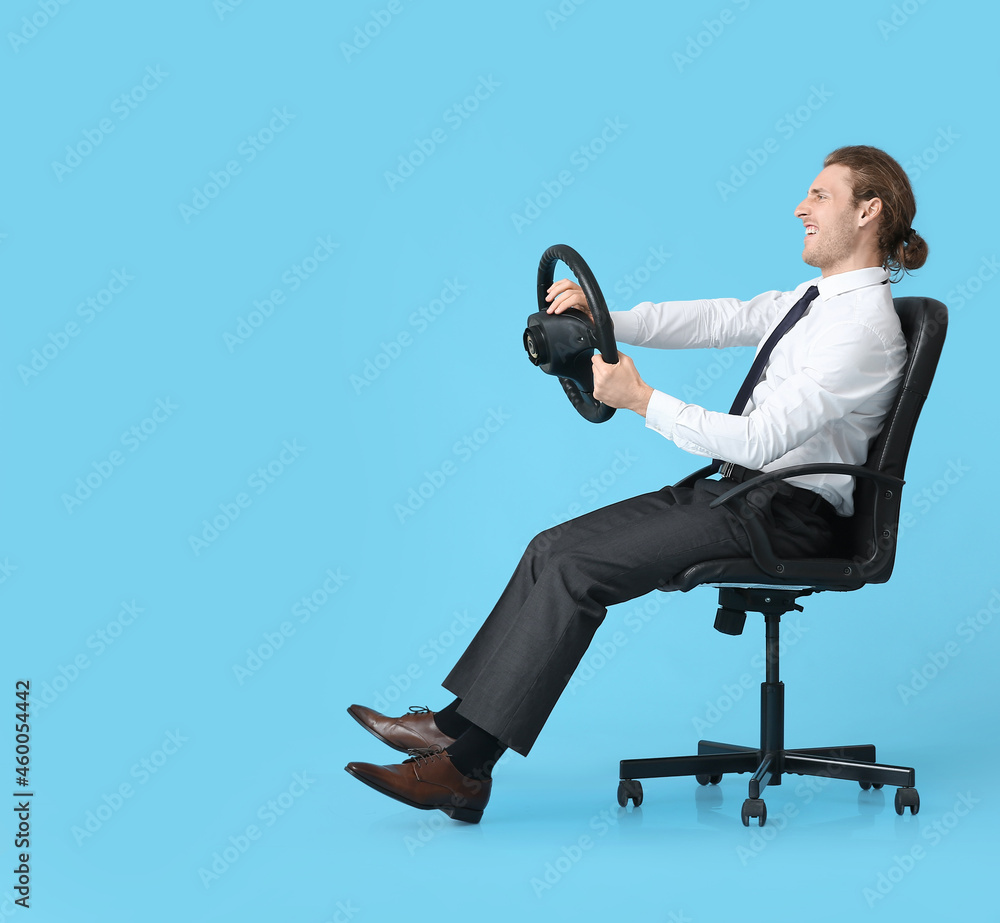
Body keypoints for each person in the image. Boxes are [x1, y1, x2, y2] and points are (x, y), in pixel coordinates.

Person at [345, 145, 928, 823]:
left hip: (786, 513)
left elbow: (763, 441)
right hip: (741, 494)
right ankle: (448, 727)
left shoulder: (862, 328)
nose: (801, 206)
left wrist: (642, 400)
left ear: (868, 210)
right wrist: (605, 319)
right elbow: (718, 320)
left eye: (820, 195)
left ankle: (464, 769)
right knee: (549, 545)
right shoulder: (816, 302)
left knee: (576, 567)